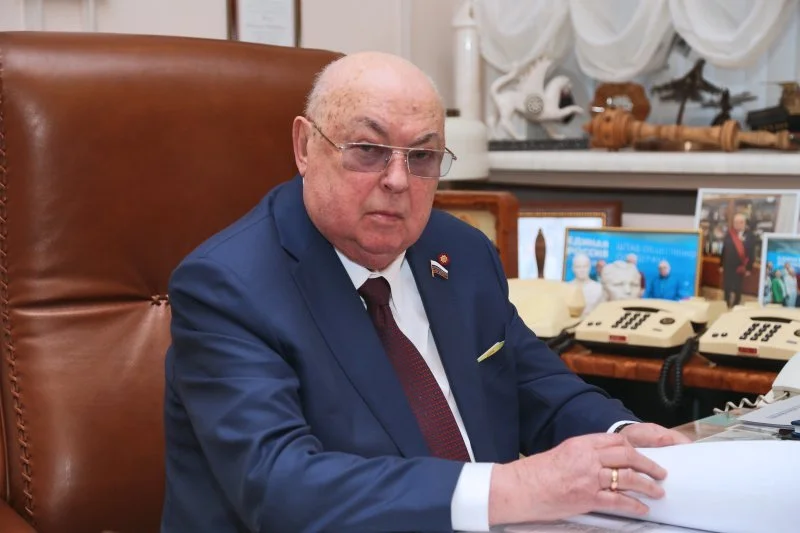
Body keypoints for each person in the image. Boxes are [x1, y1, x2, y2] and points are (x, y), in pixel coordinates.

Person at [161, 51, 689, 533]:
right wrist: (513, 488)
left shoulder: (458, 250)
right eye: (368, 150)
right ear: (304, 147)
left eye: (422, 156)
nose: (398, 180)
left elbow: (534, 384)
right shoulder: (227, 287)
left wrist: (622, 435)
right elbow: (281, 488)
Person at [719, 213, 755, 308]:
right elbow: (724, 250)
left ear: (744, 223)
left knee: (738, 287)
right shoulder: (729, 234)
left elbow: (751, 254)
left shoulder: (750, 236)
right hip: (728, 266)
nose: (737, 224)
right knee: (727, 286)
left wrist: (749, 268)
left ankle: (736, 304)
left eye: (740, 222)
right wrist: (721, 264)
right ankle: (726, 303)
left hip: (740, 267)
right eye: (735, 222)